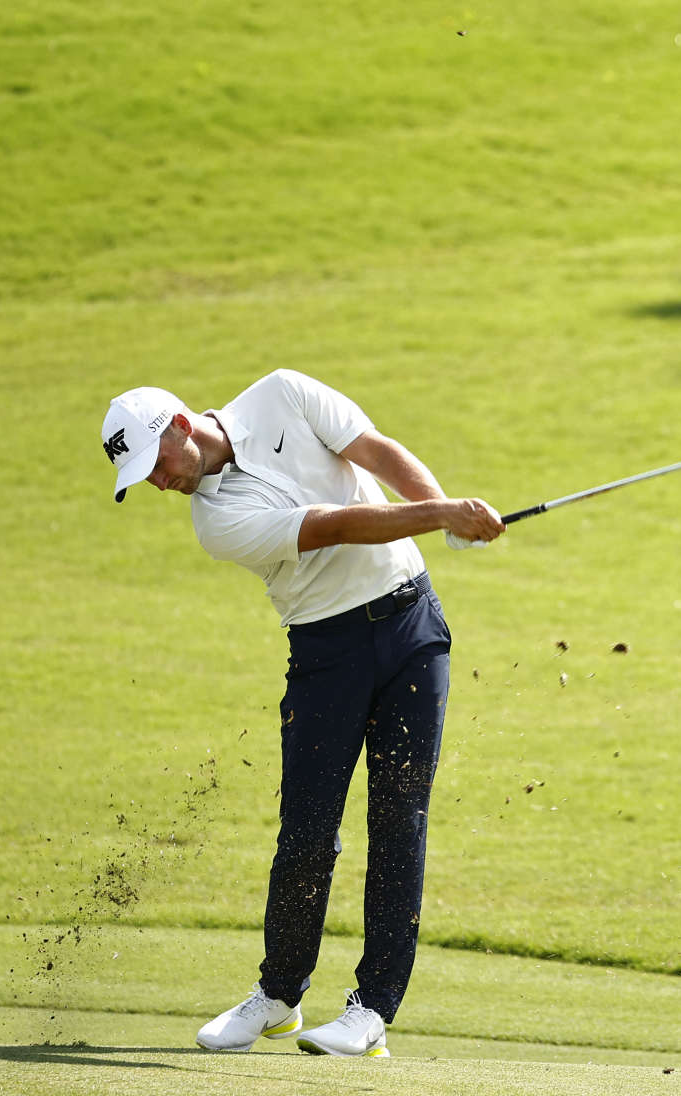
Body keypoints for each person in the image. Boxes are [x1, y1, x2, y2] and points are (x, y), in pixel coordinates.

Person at [100, 370, 503, 1057]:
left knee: (398, 821)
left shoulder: (282, 393)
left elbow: (373, 451)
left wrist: (441, 507)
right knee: (308, 833)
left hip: (411, 628)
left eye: (155, 465)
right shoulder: (215, 523)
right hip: (326, 652)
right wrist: (441, 516)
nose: (158, 484)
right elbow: (336, 526)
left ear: (177, 426)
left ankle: (372, 1011)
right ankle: (280, 996)